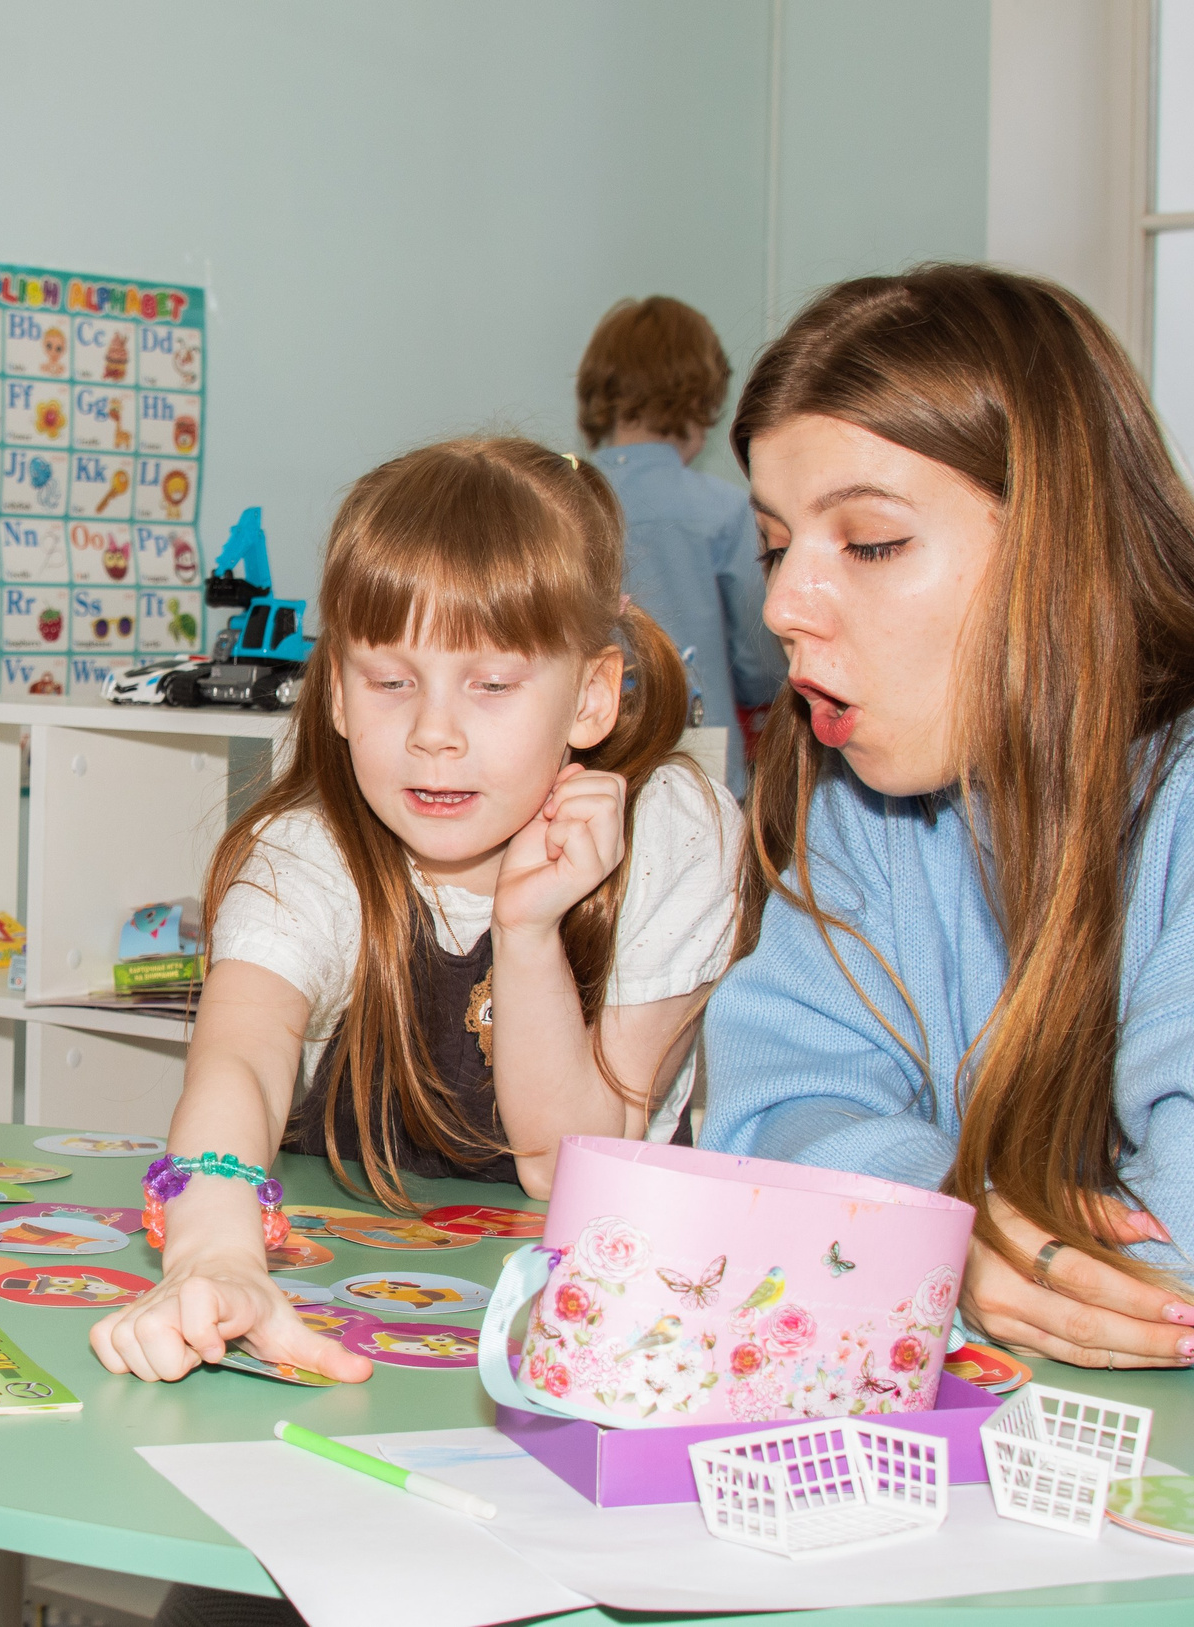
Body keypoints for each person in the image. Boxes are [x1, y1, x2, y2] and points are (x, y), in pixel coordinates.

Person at [702, 266, 1194, 1469]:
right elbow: (757, 1117)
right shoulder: (867, 775)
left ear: (1058, 538)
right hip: (1022, 1480)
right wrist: (955, 1226)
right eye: (778, 544)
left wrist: (898, 1226)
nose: (786, 603)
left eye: (870, 542)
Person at [93, 438, 742, 1393]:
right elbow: (242, 1051)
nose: (435, 732)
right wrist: (214, 1252)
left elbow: (566, 1173)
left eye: (493, 684)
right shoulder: (313, 846)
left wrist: (525, 935)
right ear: (342, 695)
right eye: (392, 681)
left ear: (592, 695)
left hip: (578, 1334)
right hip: (344, 1301)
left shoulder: (674, 833)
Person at [578, 295, 786, 797]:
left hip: (587, 757)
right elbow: (759, 659)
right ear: (701, 400)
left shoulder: (562, 499)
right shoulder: (724, 510)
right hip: (700, 762)